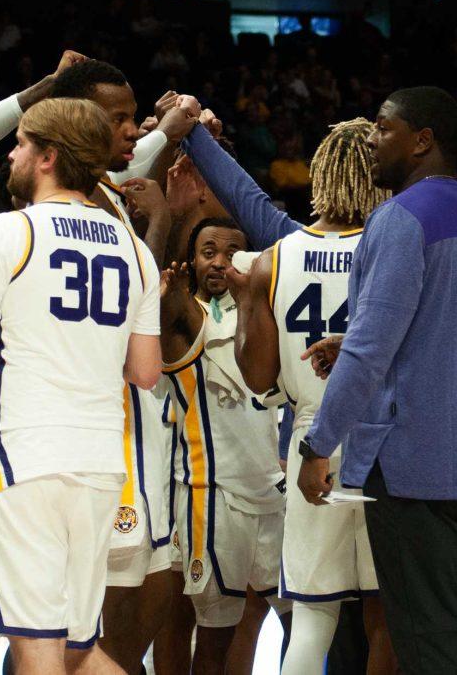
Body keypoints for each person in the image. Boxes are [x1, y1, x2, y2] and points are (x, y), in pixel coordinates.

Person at [0, 97, 162, 674]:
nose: (11, 154)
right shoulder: (133, 247)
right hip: (99, 462)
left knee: (38, 652)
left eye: (20, 144)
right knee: (78, 652)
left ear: (48, 156)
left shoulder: (8, 231)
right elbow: (145, 371)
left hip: (23, 457)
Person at [294, 87, 457, 674]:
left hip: (415, 456)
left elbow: (368, 351)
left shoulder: (399, 217)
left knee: (426, 632)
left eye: (383, 129)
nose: (370, 139)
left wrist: (318, 445)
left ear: (423, 140)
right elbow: (452, 333)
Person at [223, 118, 396, 675]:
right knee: (383, 616)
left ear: (321, 173)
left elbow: (258, 379)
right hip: (385, 436)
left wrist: (250, 300)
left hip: (310, 436)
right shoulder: (392, 246)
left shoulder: (273, 258)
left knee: (313, 618)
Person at [49, 61, 196, 672]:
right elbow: (131, 316)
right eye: (121, 120)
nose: (134, 131)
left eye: (137, 118)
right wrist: (161, 220)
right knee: (106, 588)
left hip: (135, 416)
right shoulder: (77, 207)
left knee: (161, 568)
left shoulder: (108, 193)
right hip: (100, 419)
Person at [157, 218, 287, 674]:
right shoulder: (177, 310)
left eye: (232, 253)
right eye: (208, 251)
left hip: (272, 491)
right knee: (209, 631)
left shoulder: (264, 315)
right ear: (192, 261)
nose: (220, 262)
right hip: (209, 494)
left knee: (299, 615)